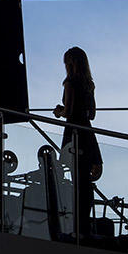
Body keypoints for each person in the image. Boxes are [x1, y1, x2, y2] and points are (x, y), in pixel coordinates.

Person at [53, 46, 103, 240]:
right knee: (85, 183)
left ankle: (78, 226)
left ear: (70, 62)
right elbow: (92, 114)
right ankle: (85, 225)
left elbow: (69, 112)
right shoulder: (88, 84)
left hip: (74, 133)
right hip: (87, 133)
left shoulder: (70, 83)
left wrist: (59, 111)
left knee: (77, 181)